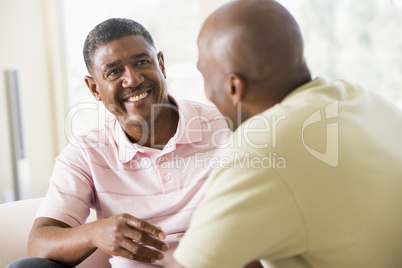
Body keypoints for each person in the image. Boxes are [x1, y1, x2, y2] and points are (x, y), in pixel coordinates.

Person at [168, 0, 402, 267]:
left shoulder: (261, 147)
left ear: (234, 86)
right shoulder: (366, 100)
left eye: (204, 76)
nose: (206, 94)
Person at [7, 18, 229, 267]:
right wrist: (95, 233)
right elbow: (39, 244)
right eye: (114, 72)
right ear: (94, 89)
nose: (132, 80)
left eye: (142, 62)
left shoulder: (225, 125)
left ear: (162, 65)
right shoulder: (86, 153)